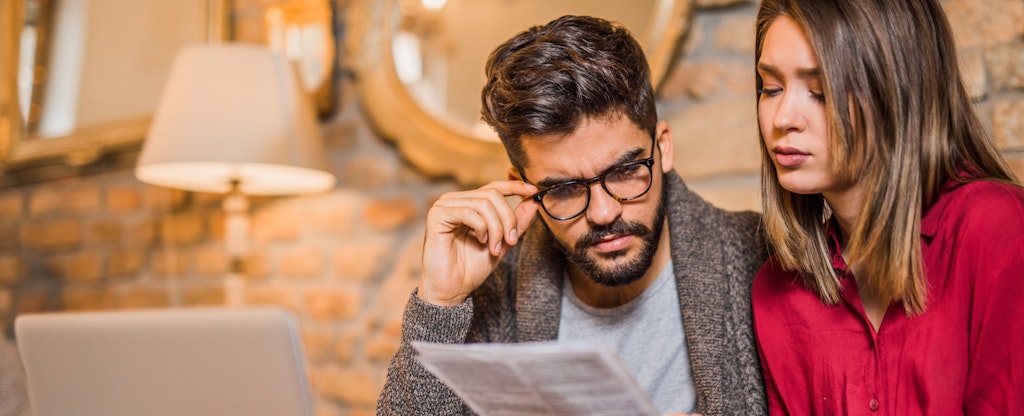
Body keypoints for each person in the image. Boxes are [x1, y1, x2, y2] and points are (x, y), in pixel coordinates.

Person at [377, 15, 769, 416]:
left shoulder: (760, 256)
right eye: (563, 189)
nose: (603, 212)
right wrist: (439, 304)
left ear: (663, 148)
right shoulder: (497, 287)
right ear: (522, 184)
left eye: (625, 171)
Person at [751, 0, 1024, 414]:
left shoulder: (995, 230)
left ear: (895, 92)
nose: (782, 117)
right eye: (770, 88)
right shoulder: (777, 294)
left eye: (820, 92)